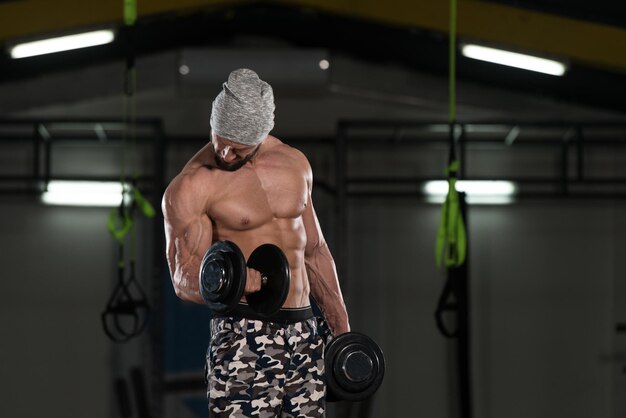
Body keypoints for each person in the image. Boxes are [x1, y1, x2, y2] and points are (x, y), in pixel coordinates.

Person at [162, 68, 350, 417]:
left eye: (238, 146)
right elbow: (181, 276)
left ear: (262, 135)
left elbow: (314, 250)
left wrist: (339, 326)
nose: (225, 152)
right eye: (221, 138)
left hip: (305, 332)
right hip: (243, 332)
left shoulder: (296, 165)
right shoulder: (192, 186)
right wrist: (227, 284)